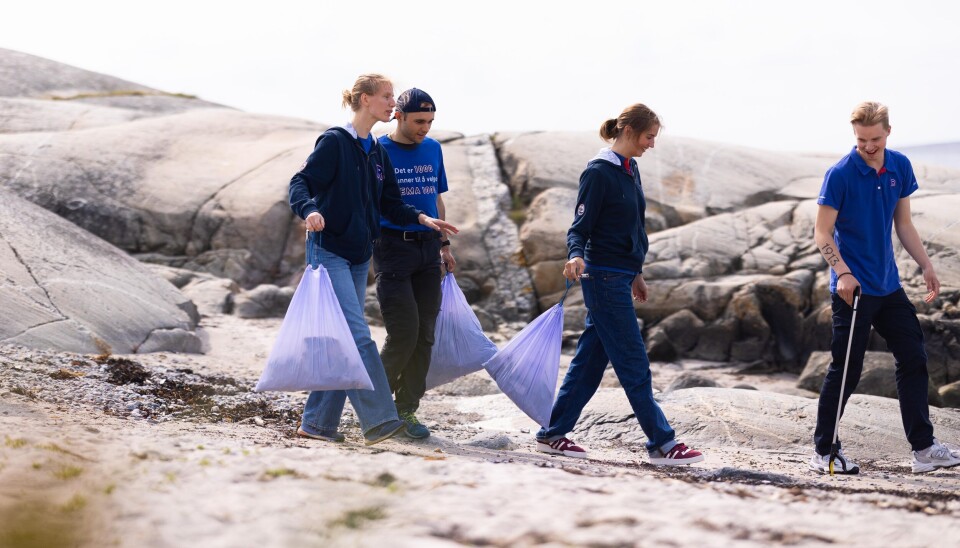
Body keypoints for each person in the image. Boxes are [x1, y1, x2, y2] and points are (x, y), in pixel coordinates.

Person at [288, 74, 458, 446]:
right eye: (386, 96)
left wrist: (422, 218)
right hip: (329, 249)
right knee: (359, 336)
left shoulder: (376, 151)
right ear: (365, 99)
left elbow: (391, 203)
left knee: (344, 340)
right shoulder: (336, 141)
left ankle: (317, 424)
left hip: (358, 255)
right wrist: (310, 210)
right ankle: (380, 420)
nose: (392, 103)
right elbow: (300, 182)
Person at [534, 103, 705, 466]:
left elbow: (633, 226)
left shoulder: (630, 168)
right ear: (628, 131)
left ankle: (552, 433)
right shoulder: (598, 172)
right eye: (648, 137)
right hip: (603, 278)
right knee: (633, 362)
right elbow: (579, 227)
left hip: (620, 275)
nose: (651, 144)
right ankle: (662, 443)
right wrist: (575, 255)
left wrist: (636, 271)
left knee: (589, 363)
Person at [810, 101, 960, 474]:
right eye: (861, 139)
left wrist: (926, 264)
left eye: (875, 139)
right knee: (846, 369)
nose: (868, 146)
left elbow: (903, 224)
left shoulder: (899, 166)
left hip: (889, 286)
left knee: (913, 357)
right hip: (853, 291)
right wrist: (843, 273)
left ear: (888, 132)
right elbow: (822, 233)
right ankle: (824, 452)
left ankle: (923, 449)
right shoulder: (840, 174)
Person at [374, 88, 455, 439]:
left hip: (428, 249)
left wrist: (445, 245)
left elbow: (435, 198)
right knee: (403, 333)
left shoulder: (433, 148)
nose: (425, 128)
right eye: (419, 121)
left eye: (430, 121)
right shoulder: (378, 150)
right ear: (399, 116)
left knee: (424, 336)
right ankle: (375, 408)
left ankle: (406, 410)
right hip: (392, 247)